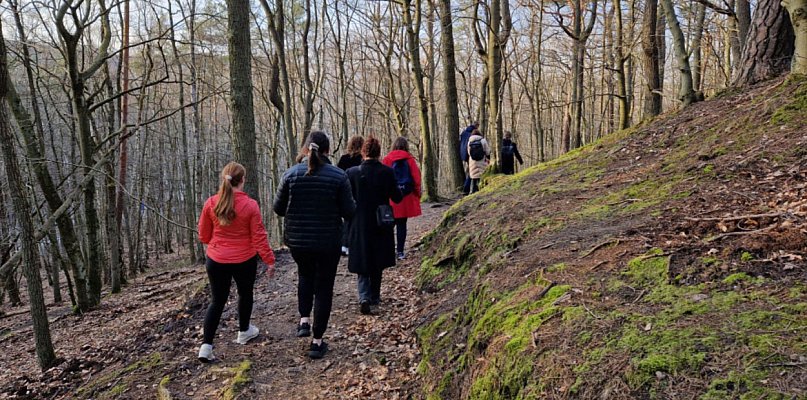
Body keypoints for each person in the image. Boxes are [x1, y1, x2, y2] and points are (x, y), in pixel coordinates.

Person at [273, 131, 356, 359]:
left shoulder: (290, 174)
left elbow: (278, 208)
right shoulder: (338, 176)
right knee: (324, 287)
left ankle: (303, 321)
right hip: (328, 241)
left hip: (298, 241)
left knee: (305, 275)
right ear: (327, 150)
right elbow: (349, 211)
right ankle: (317, 341)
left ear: (305, 148)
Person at [197, 162, 276, 363]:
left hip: (216, 260)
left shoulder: (211, 203)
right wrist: (269, 260)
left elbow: (203, 236)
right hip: (244, 259)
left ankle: (206, 346)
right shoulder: (250, 205)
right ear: (242, 180)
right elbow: (259, 237)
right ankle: (243, 331)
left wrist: (219, 243)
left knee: (217, 301)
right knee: (245, 293)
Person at [346, 137, 403, 315]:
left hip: (359, 222)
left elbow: (346, 200)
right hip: (381, 222)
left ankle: (364, 296)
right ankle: (375, 296)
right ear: (379, 153)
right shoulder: (387, 172)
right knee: (378, 259)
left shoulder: (352, 173)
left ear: (363, 152)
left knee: (362, 259)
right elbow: (397, 197)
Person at [382, 137, 422, 260]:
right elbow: (416, 179)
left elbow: (382, 178)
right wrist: (417, 193)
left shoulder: (387, 159)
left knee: (388, 225)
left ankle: (387, 252)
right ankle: (400, 252)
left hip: (391, 198)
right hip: (405, 198)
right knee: (401, 225)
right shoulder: (409, 160)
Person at [337, 135, 365, 255]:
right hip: (360, 193)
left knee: (347, 219)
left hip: (346, 192)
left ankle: (345, 244)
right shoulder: (363, 159)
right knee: (359, 220)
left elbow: (338, 175)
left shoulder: (344, 159)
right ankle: (357, 244)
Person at [467, 128, 490, 194]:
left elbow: (468, 152)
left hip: (472, 161)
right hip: (482, 160)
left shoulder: (469, 141)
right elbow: (487, 151)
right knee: (482, 175)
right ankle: (482, 190)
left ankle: (472, 191)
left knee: (473, 177)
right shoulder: (483, 140)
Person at [459, 121, 478, 195]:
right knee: (472, 171)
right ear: (476, 126)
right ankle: (467, 188)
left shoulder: (464, 132)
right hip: (470, 154)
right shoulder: (472, 134)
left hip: (463, 153)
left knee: (470, 170)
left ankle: (468, 188)